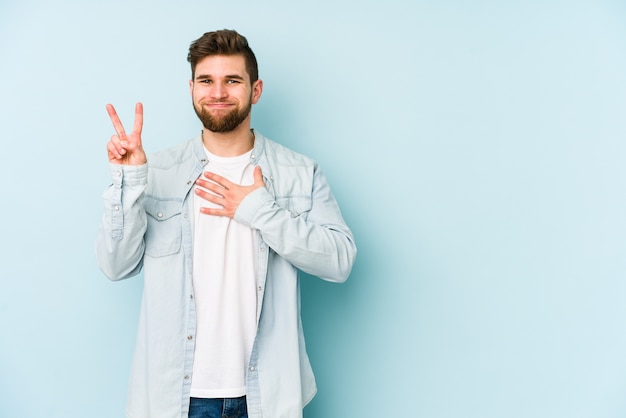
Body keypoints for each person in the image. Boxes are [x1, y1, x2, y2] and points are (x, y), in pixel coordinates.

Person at [95, 29, 356, 418]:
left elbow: (340, 262)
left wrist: (260, 210)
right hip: (175, 398)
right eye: (207, 81)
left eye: (232, 80)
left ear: (256, 89)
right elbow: (116, 266)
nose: (218, 92)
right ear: (191, 88)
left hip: (266, 397)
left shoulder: (298, 172)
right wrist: (130, 182)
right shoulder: (157, 171)